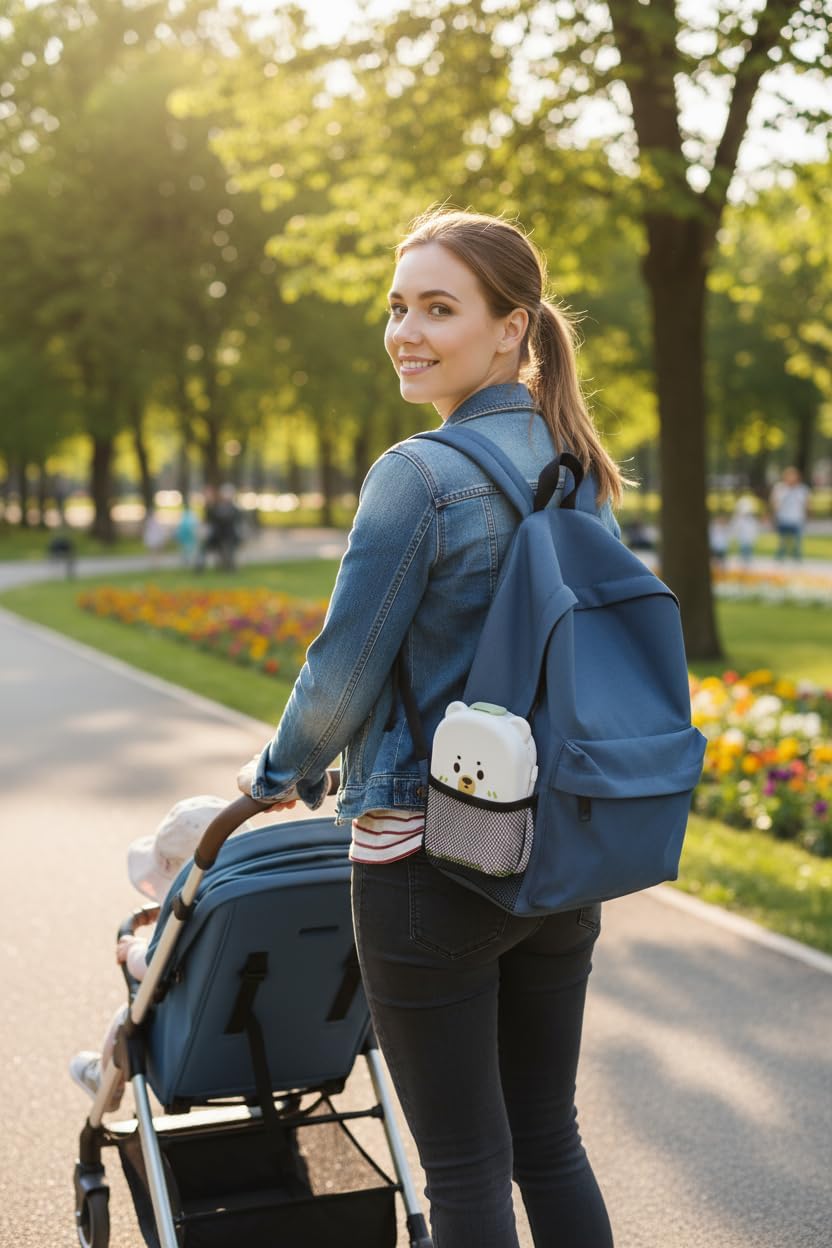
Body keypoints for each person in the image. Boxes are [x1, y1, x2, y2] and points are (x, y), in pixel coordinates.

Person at [236, 209, 621, 1246]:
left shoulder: (419, 474)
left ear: (511, 328)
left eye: (438, 308)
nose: (405, 330)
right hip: (558, 848)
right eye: (397, 306)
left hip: (426, 850)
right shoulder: (574, 461)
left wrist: (280, 770)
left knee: (462, 1171)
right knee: (549, 1140)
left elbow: (342, 671)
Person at [69, 796, 252, 1111]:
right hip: (279, 1037)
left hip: (197, 1045)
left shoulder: (193, 922)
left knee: (130, 1015)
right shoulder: (259, 903)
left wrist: (134, 949)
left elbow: (153, 966)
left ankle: (105, 1078)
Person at [770, 465, 811, 560]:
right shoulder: (780, 488)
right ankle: (780, 558)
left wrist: (807, 515)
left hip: (797, 518)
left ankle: (797, 558)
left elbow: (807, 504)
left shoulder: (802, 489)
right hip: (783, 518)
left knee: (797, 541)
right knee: (782, 541)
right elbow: (774, 502)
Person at [732, 494, 759, 565]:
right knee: (744, 550)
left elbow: (754, 529)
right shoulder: (738, 519)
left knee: (748, 551)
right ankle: (744, 562)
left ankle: (747, 562)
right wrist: (735, 535)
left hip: (749, 539)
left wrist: (754, 536)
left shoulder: (752, 519)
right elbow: (735, 528)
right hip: (743, 538)